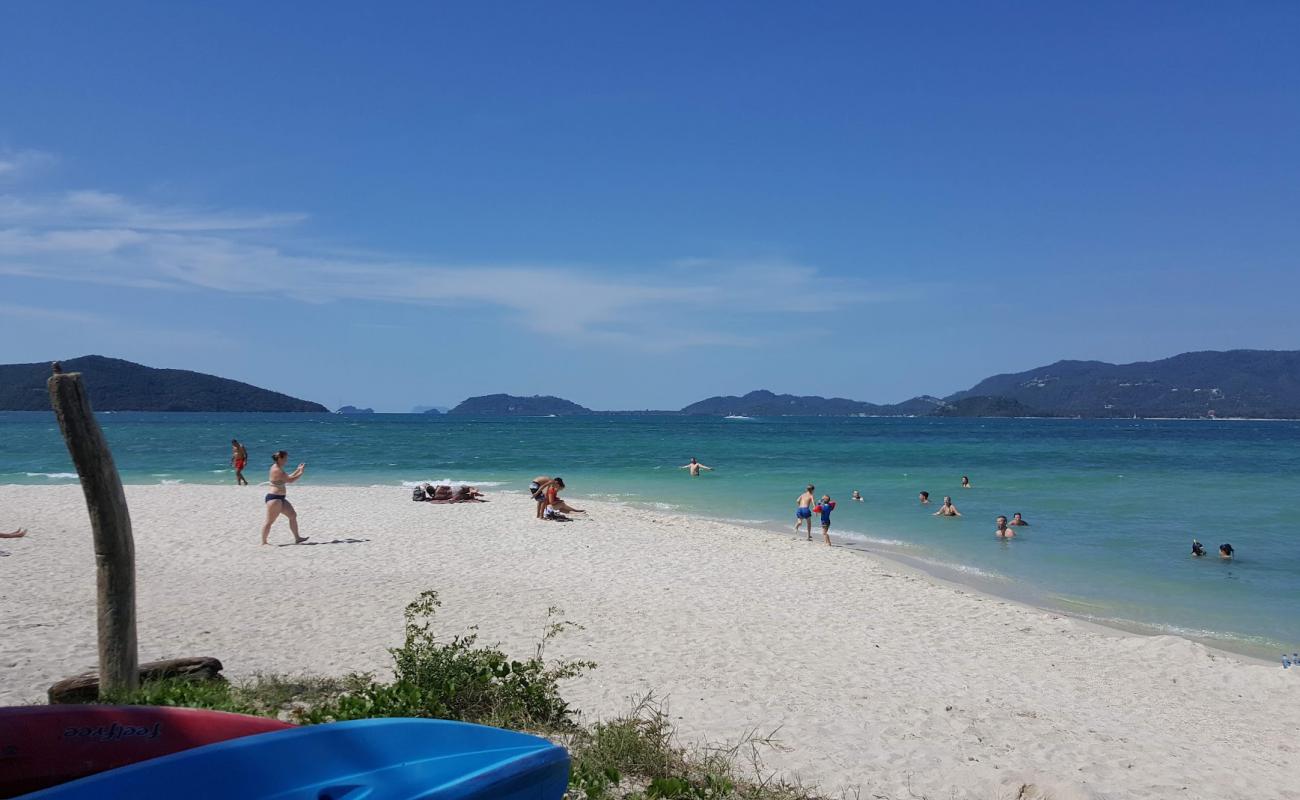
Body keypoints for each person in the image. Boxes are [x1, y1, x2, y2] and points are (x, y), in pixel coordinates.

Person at [261, 451, 308, 545]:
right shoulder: (277, 470)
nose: (286, 460)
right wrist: (301, 473)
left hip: (280, 498)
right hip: (274, 499)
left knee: (292, 515)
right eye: (285, 458)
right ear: (279, 458)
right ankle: (264, 542)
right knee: (269, 521)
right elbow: (290, 480)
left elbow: (287, 477)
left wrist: (298, 470)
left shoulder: (279, 468)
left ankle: (297, 538)